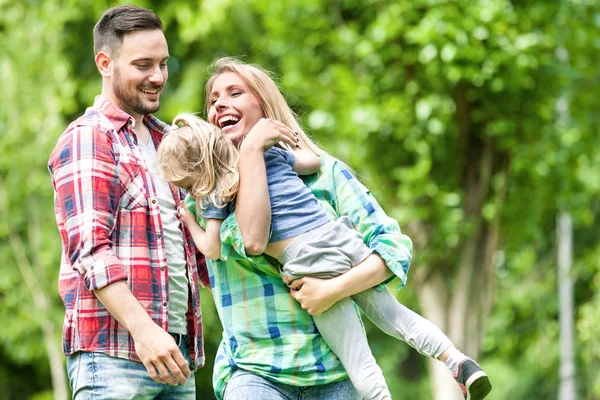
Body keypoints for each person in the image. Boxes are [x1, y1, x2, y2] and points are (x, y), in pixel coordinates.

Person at [156, 57, 492, 400]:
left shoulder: (312, 176)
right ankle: (457, 360)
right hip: (257, 372)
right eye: (212, 100)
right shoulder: (213, 190)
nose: (220, 103)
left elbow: (393, 247)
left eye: (234, 92)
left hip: (331, 370)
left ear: (265, 105)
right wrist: (255, 149)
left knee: (362, 362)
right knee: (396, 320)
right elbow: (241, 243)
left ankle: (454, 362)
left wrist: (332, 291)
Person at [47, 5, 208, 399]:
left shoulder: (167, 141)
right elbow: (91, 251)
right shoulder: (90, 137)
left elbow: (196, 247)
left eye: (163, 64)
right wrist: (145, 330)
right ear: (106, 63)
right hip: (114, 355)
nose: (158, 77)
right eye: (143, 65)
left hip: (176, 353)